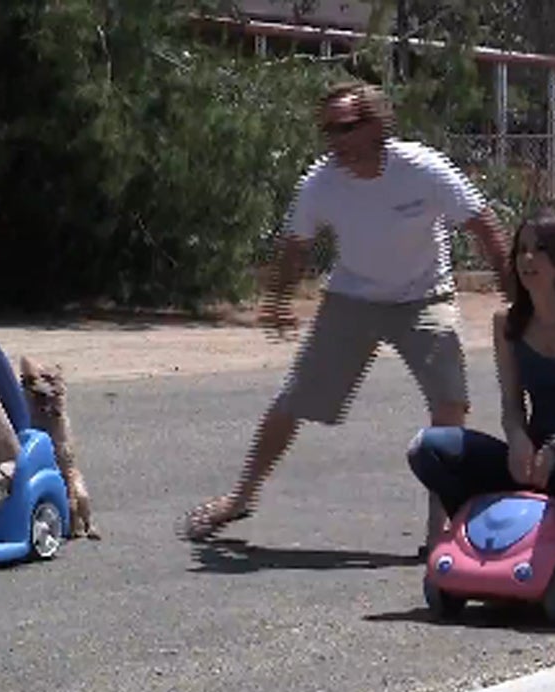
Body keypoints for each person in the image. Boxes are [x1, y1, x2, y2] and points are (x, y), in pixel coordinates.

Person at [179, 79, 511, 544]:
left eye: (346, 128)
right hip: (353, 297)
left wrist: (513, 291)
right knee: (294, 399)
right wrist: (277, 300)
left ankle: (441, 527)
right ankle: (240, 497)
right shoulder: (322, 181)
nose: (336, 141)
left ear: (377, 125)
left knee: (449, 402)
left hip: (424, 295)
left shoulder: (422, 169)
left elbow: (483, 224)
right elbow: (296, 245)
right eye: (328, 131)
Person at [406, 209, 555, 577]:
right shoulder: (508, 324)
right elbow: (512, 404)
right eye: (522, 250)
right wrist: (516, 439)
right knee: (429, 448)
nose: (527, 259)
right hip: (531, 462)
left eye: (540, 249)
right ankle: (477, 542)